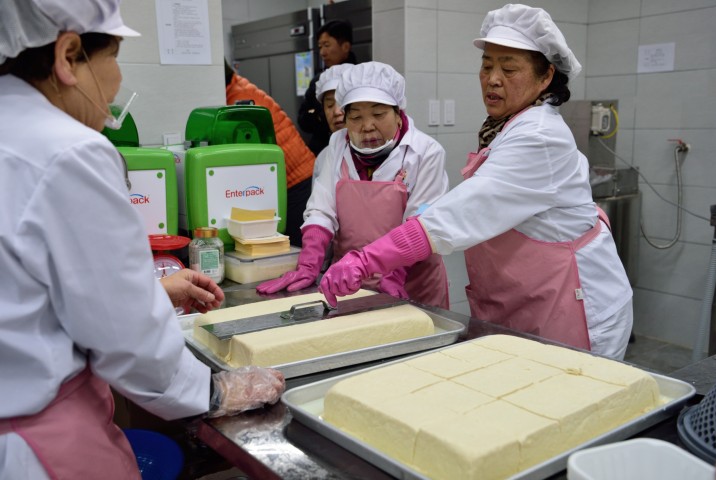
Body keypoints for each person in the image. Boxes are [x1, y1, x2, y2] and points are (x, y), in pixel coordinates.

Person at [0, 2, 284, 478]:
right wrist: (213, 391)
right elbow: (127, 341)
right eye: (113, 57)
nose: (117, 81)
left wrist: (149, 290)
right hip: (38, 444)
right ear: (68, 56)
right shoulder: (69, 151)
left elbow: (23, 292)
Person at [319, 4, 634, 361]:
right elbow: (478, 202)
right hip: (528, 296)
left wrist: (367, 260)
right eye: (487, 66)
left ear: (546, 76)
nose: (493, 79)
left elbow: (463, 212)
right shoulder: (506, 128)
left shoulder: (540, 136)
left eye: (509, 69)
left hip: (573, 302)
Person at [258, 62, 450, 309]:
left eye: (378, 114)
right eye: (356, 117)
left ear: (398, 112)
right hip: (349, 283)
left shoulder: (425, 152)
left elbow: (421, 221)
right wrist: (309, 263)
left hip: (411, 283)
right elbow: (321, 209)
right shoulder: (337, 145)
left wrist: (396, 272)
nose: (367, 126)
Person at [225, 61, 316, 247]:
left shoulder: (238, 100)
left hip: (296, 180)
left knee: (298, 245)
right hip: (298, 173)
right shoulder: (239, 88)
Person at [298, 19, 357, 156]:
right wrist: (321, 116)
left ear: (345, 47)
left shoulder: (361, 78)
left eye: (327, 45)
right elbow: (303, 120)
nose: (322, 52)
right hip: (322, 150)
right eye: (320, 47)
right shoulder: (318, 81)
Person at [311, 62, 354, 184]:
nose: (336, 112)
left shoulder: (376, 153)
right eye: (329, 105)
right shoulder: (323, 158)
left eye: (342, 102)